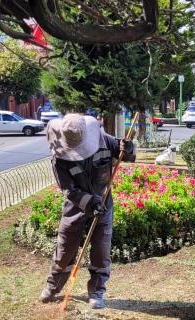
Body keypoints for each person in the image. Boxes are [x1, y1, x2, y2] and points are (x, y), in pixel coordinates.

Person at [39, 113, 135, 309]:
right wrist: (90, 203)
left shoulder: (104, 141)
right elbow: (68, 189)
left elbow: (127, 155)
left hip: (104, 205)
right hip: (76, 208)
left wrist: (129, 148)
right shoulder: (59, 157)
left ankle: (97, 291)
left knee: (101, 251)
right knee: (65, 249)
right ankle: (53, 287)